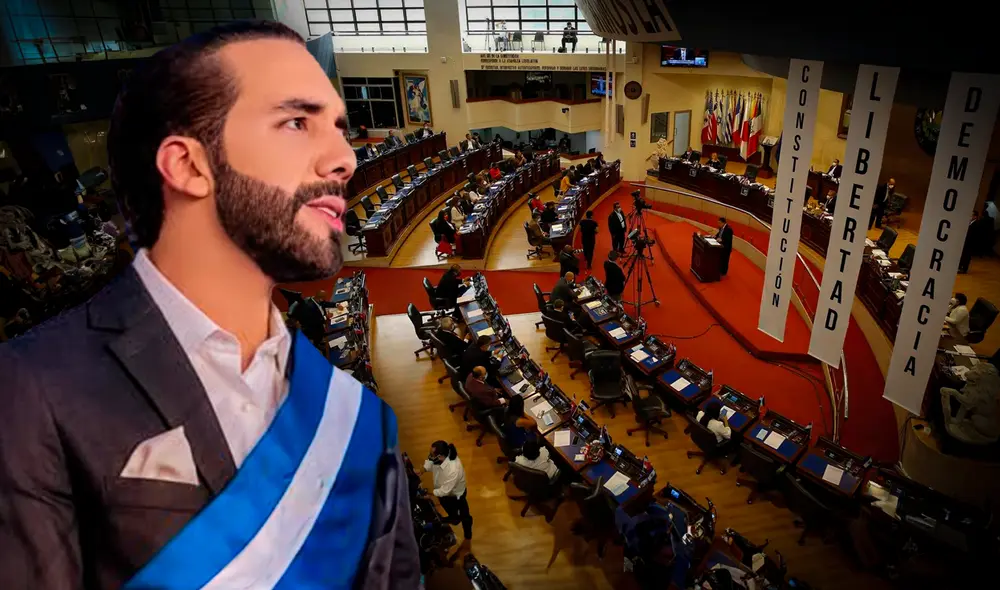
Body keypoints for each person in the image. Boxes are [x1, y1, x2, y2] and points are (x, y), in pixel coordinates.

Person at [0, 21, 419, 588]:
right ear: (188, 166)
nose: (345, 158)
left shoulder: (357, 413)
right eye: (296, 122)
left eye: (339, 128)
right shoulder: (33, 386)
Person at [422, 441, 473, 541]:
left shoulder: (453, 469)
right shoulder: (439, 458)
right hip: (444, 495)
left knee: (464, 516)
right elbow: (430, 461)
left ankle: (467, 535)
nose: (430, 456)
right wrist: (422, 470)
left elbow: (444, 491)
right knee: (451, 511)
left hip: (456, 496)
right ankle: (453, 517)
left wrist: (429, 493)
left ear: (440, 456)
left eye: (432, 455)